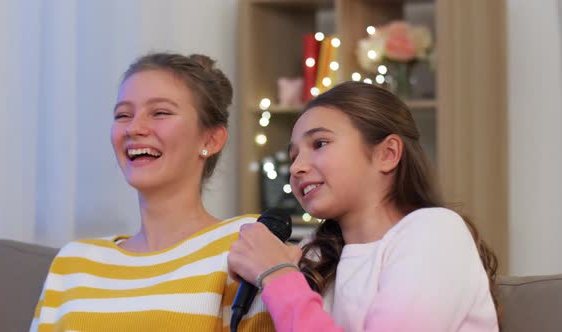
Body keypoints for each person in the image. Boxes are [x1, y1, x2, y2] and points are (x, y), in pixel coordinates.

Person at [228, 81, 500, 331]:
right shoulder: (317, 258)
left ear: (387, 154)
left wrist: (278, 276)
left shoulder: (438, 232)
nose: (297, 167)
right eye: (294, 155)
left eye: (319, 143)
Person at [31, 53, 275, 331]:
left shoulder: (246, 243)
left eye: (160, 112)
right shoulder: (73, 262)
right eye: (123, 115)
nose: (134, 128)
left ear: (211, 138)